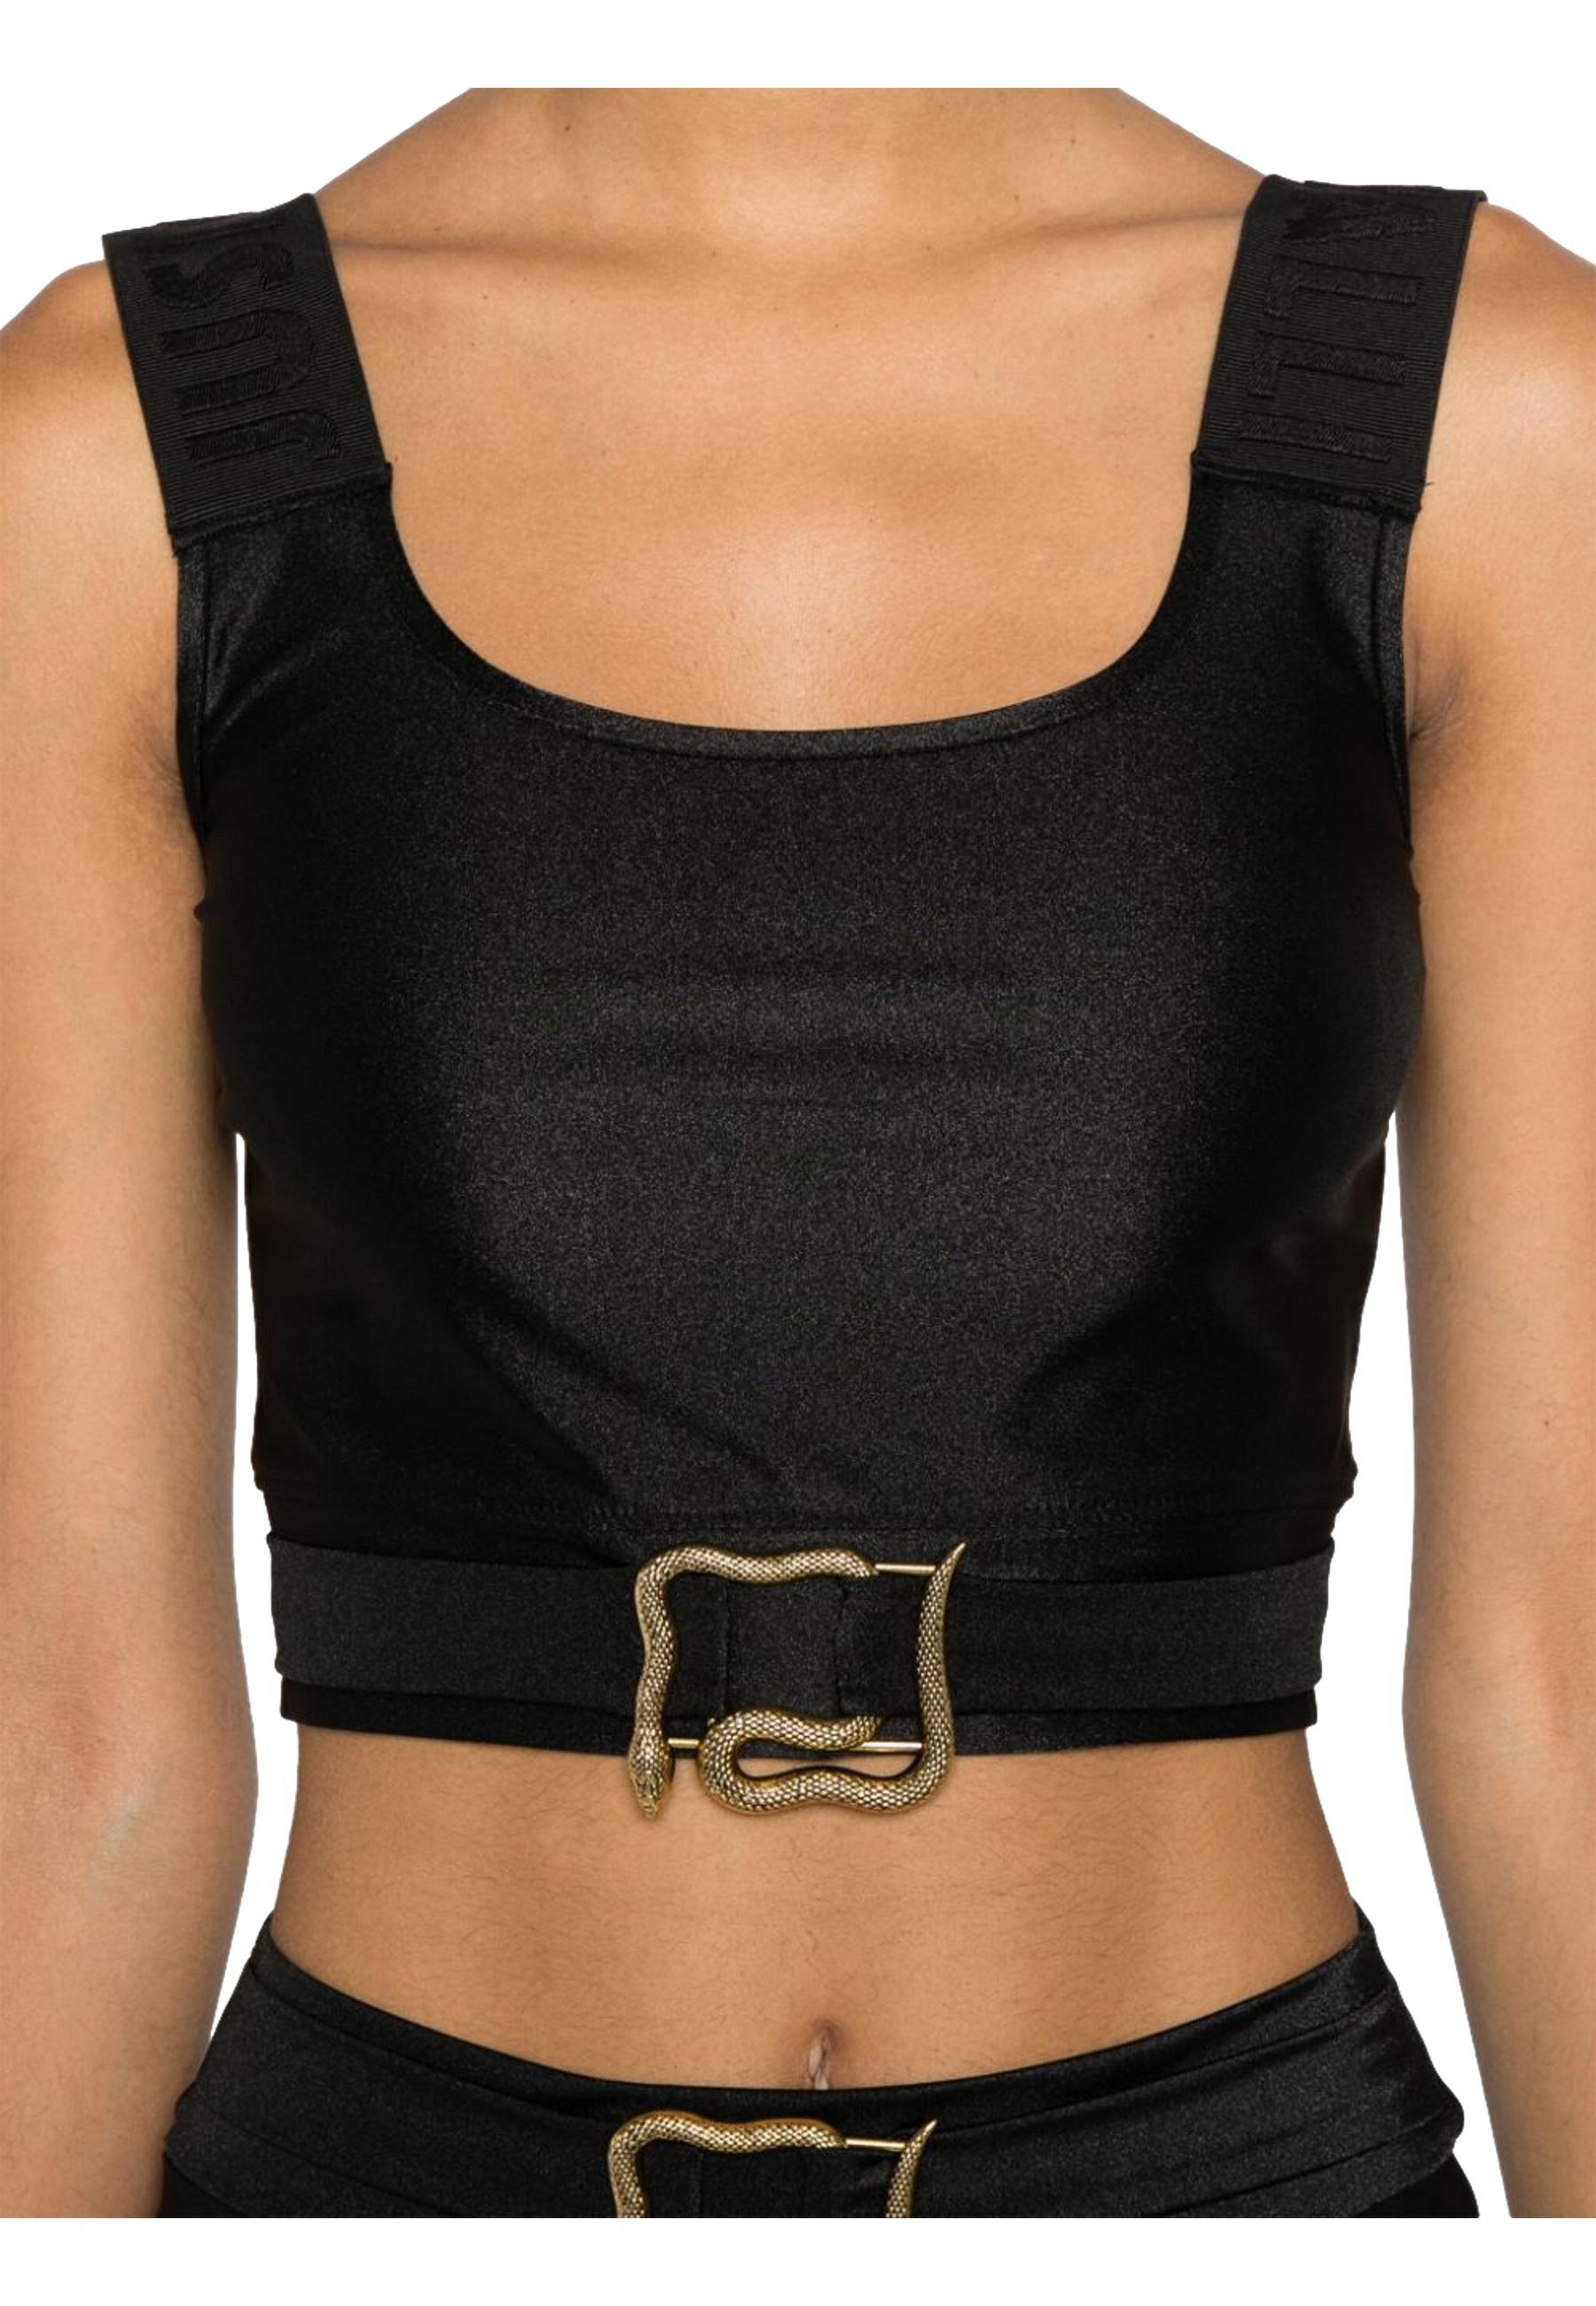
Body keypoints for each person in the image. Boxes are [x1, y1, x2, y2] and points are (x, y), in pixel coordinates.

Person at [1, 89, 1590, 2219]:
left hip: (1230, 2187)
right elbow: (69, 1730)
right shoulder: (102, 448)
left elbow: (1562, 1674)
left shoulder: (1500, 413)